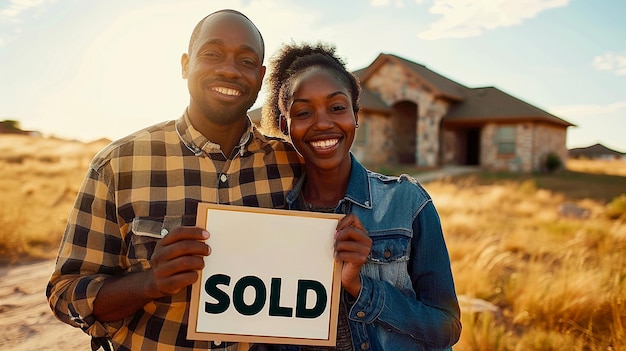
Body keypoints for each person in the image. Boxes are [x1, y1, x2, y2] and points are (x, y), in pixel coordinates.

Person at [46, 9, 302, 351]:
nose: (229, 69)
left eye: (245, 60)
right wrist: (149, 283)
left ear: (260, 76)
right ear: (185, 65)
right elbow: (66, 293)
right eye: (212, 54)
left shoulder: (291, 165)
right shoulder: (118, 164)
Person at [258, 43, 461, 350]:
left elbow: (446, 328)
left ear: (356, 115)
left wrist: (361, 287)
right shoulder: (269, 217)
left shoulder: (407, 204)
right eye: (303, 112)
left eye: (337, 107)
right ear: (286, 126)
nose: (323, 122)